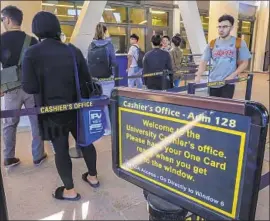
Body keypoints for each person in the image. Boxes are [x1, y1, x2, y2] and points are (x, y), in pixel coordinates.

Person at [22, 11, 99, 201]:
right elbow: (86, 80)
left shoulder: (31, 53)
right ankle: (93, 177)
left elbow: (30, 87)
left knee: (61, 149)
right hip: (77, 109)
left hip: (51, 112)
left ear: (36, 30)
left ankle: (70, 191)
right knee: (86, 142)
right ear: (57, 27)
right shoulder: (72, 50)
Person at [0, 5, 46, 167]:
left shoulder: (1, 40)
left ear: (7, 19)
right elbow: (40, 65)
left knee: (9, 124)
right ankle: (38, 156)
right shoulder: (32, 40)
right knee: (36, 121)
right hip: (31, 88)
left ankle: (8, 157)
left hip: (11, 89)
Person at [195, 14, 251, 98]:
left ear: (231, 27)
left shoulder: (239, 42)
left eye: (225, 27)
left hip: (228, 82)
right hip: (213, 81)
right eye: (219, 27)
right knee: (213, 106)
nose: (221, 29)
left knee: (224, 107)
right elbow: (203, 61)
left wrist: (232, 76)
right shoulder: (212, 43)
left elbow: (245, 63)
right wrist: (198, 75)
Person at [87, 23, 116, 136]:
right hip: (108, 79)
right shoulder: (109, 45)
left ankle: (103, 127)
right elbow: (113, 62)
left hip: (96, 80)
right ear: (105, 31)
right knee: (110, 103)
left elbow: (88, 62)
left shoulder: (91, 45)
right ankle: (110, 128)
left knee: (101, 104)